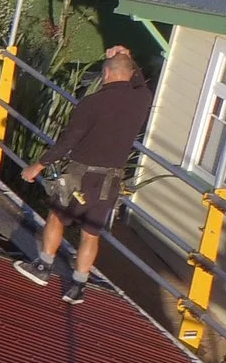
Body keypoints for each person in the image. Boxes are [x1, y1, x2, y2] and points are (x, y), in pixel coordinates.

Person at [17, 45, 154, 305]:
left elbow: (69, 140)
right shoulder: (142, 99)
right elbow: (137, 80)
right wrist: (127, 57)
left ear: (106, 73)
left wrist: (39, 165)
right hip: (110, 180)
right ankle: (78, 286)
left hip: (80, 175)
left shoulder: (93, 102)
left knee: (57, 218)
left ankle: (43, 267)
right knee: (91, 234)